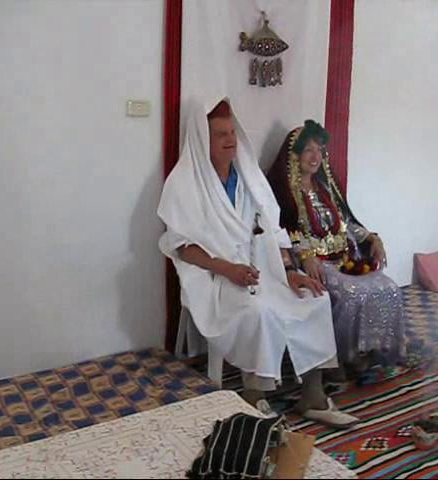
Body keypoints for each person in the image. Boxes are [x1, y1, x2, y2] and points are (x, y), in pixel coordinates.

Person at [157, 99, 358, 428]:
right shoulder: (184, 184)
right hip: (217, 277)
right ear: (200, 139)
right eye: (220, 134)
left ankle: (313, 395)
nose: (230, 139)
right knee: (260, 311)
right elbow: (181, 247)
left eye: (233, 132)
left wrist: (290, 272)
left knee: (316, 299)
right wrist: (227, 269)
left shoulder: (249, 178)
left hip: (262, 271)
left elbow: (271, 231)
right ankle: (254, 394)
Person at [267, 120, 405, 374]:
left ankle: (373, 351)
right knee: (351, 294)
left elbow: (346, 223)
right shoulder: (281, 192)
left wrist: (372, 238)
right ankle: (338, 361)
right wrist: (305, 256)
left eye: (319, 150)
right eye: (308, 150)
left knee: (390, 289)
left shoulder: (326, 189)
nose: (315, 156)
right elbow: (280, 234)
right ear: (294, 155)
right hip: (312, 264)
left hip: (343, 258)